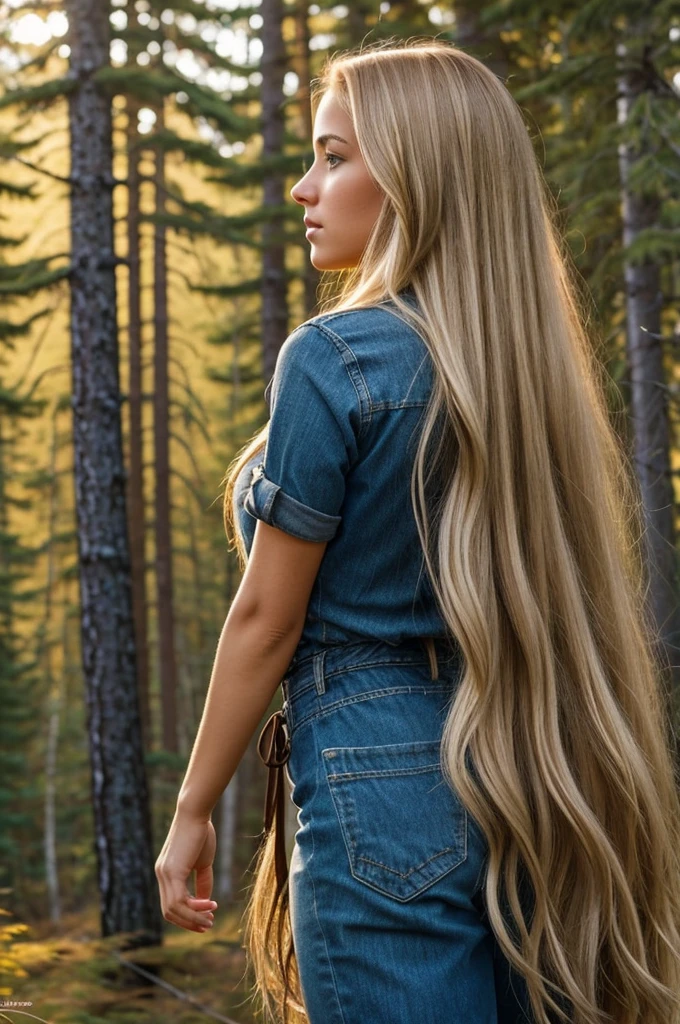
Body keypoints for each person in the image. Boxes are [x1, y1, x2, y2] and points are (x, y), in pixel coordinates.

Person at [155, 37, 680, 1024]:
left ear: (411, 176)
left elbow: (266, 615)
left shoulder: (333, 360)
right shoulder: (528, 379)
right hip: (537, 766)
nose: (305, 187)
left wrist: (190, 813)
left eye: (333, 156)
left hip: (374, 778)